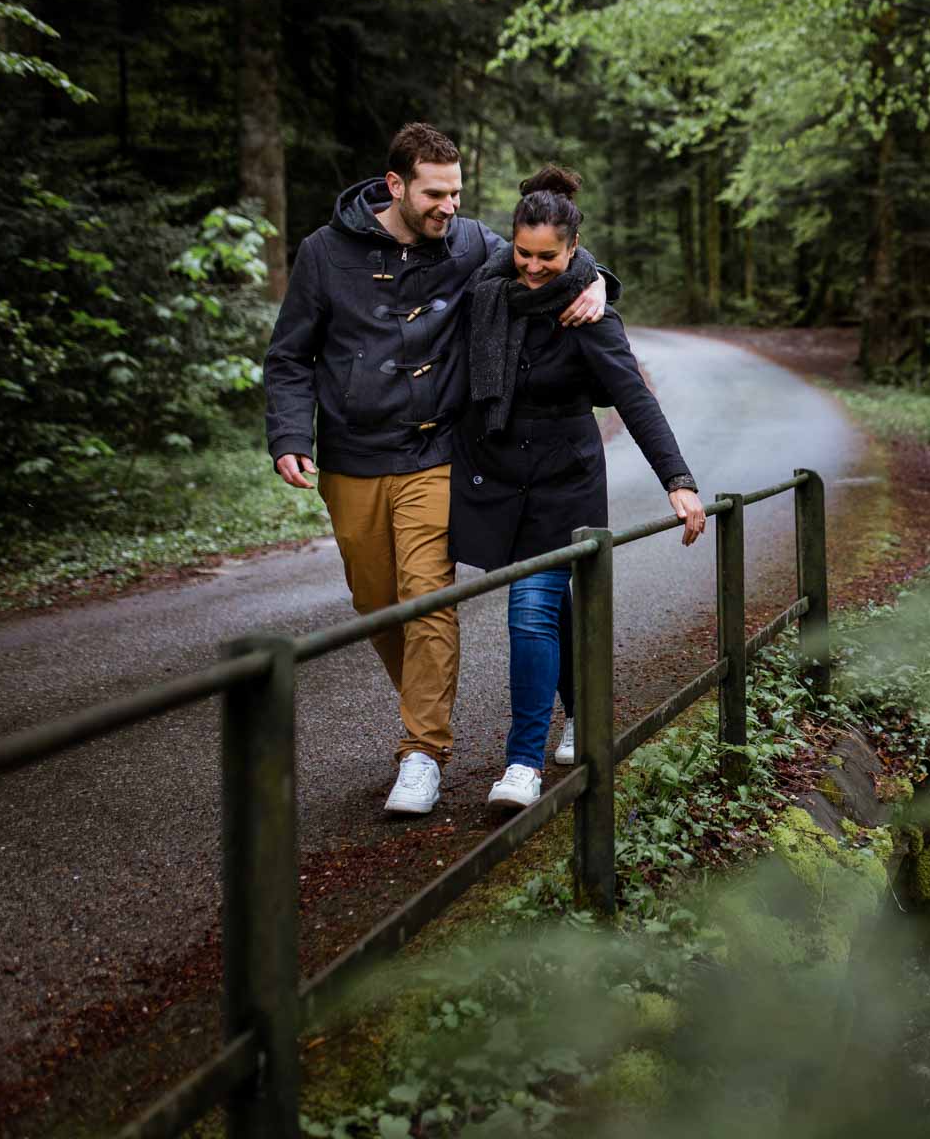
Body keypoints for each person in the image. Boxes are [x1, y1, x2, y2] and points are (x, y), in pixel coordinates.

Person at [264, 123, 611, 816]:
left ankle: (423, 752)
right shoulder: (324, 255)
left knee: (428, 597)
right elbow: (289, 356)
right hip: (352, 458)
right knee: (376, 605)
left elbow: (548, 251)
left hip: (436, 454)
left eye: (456, 192)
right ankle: (425, 715)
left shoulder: (471, 243)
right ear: (394, 186)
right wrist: (286, 433)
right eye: (436, 193)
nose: (450, 206)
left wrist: (599, 279)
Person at [452, 165, 705, 811]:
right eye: (524, 253)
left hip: (565, 484)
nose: (532, 268)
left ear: (572, 252)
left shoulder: (589, 312)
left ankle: (521, 763)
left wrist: (678, 481)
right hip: (503, 479)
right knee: (554, 607)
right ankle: (587, 714)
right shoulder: (487, 288)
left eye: (548, 258)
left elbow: (634, 400)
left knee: (530, 608)